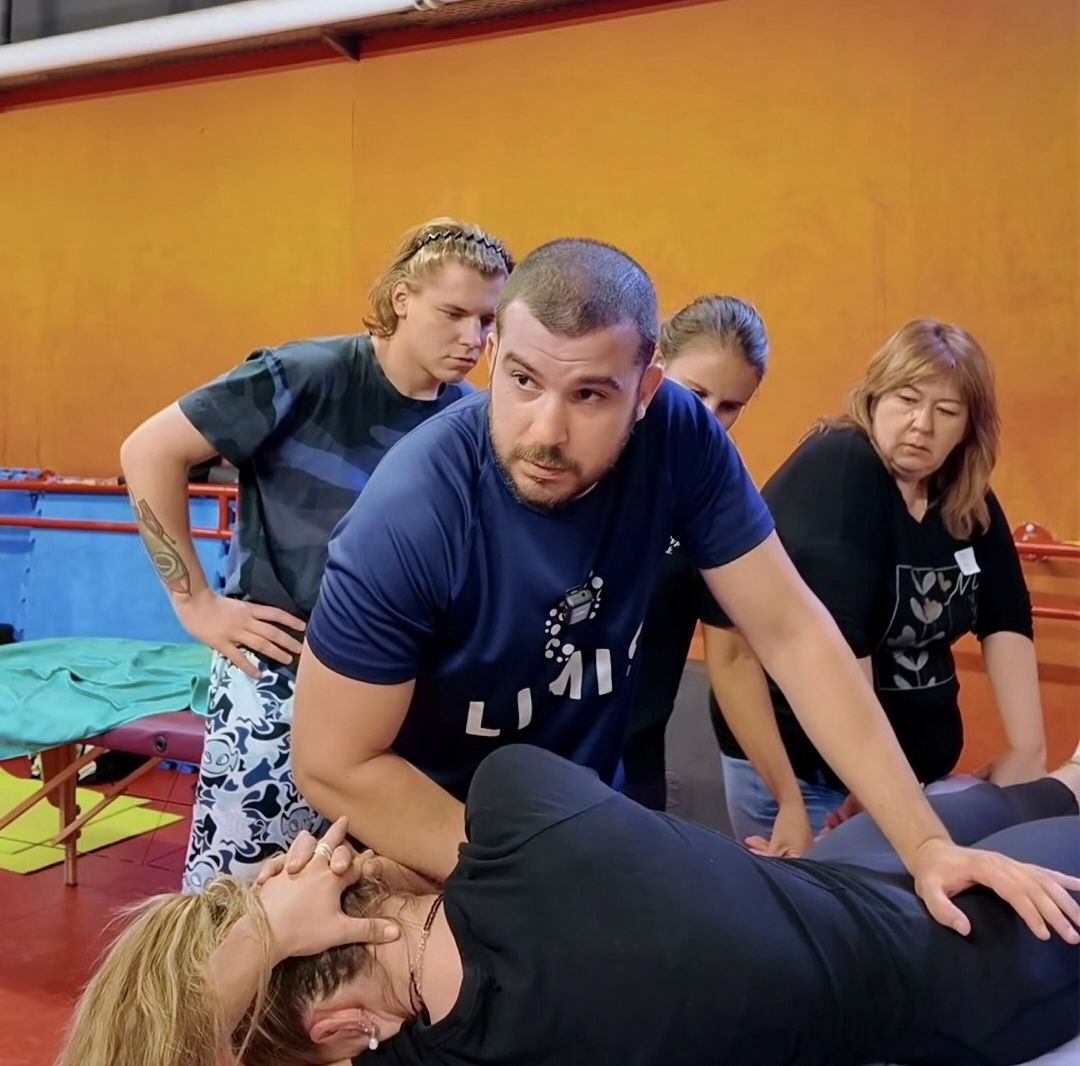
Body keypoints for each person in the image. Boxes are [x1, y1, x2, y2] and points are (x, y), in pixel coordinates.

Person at [289, 239, 1076, 942]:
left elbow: (792, 631)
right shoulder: (413, 510)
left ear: (646, 389)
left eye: (590, 395)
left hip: (580, 824)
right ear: (494, 358)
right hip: (427, 845)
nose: (545, 432)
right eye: (523, 380)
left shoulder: (679, 436)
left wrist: (928, 845)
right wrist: (524, 871)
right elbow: (331, 760)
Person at [58, 744, 1080, 1066]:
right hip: (973, 960)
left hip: (877, 905)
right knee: (1041, 795)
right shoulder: (517, 797)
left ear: (339, 1029)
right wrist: (271, 915)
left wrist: (263, 939)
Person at [119, 218, 513, 890]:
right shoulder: (306, 373)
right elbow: (149, 451)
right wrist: (196, 603)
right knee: (240, 897)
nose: (472, 339)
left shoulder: (472, 416)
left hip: (398, 691)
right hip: (280, 667)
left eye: (486, 320)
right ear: (402, 299)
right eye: (453, 314)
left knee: (370, 898)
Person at [708, 319, 1048, 851]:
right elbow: (842, 641)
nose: (922, 425)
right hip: (816, 781)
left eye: (947, 411)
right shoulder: (844, 464)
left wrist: (1028, 753)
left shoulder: (961, 494)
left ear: (968, 428)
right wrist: (873, 787)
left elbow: (1006, 613)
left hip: (903, 780)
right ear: (874, 397)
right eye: (907, 400)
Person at [618, 294, 778, 813]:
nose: (707, 416)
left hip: (637, 765)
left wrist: (786, 795)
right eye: (696, 392)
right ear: (655, 370)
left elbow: (733, 655)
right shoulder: (595, 456)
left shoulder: (715, 493)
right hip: (537, 750)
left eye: (730, 406)